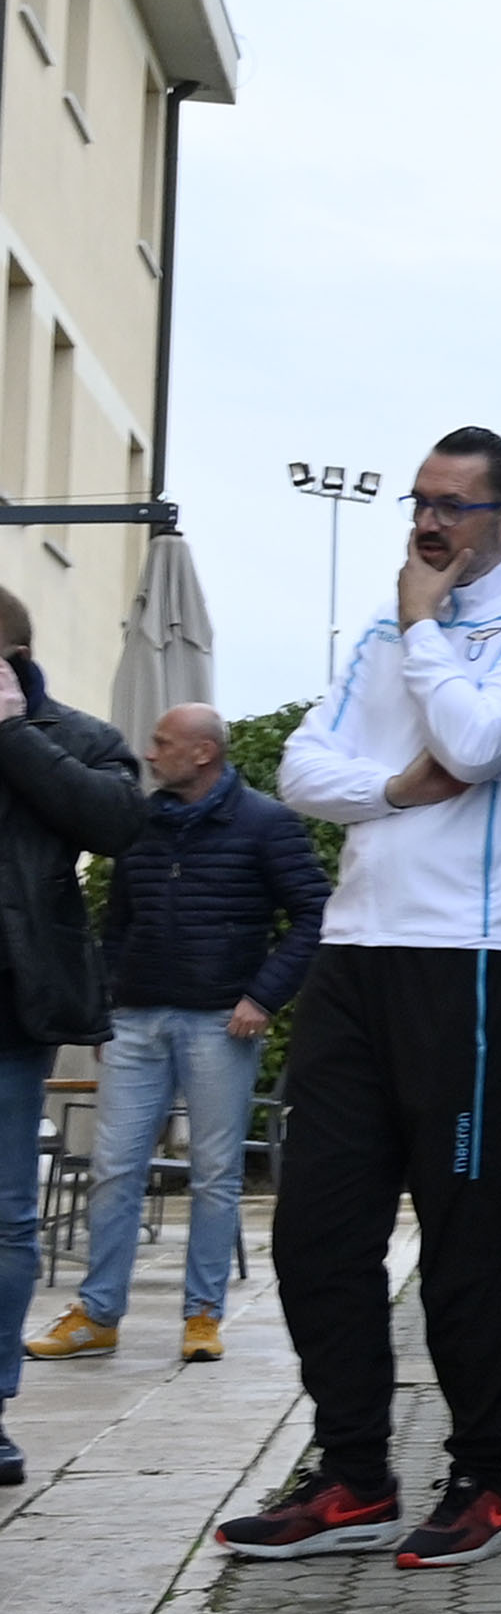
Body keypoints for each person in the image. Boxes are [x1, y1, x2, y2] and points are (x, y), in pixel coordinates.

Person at [217, 426, 501, 1570]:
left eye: (454, 508)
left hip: (477, 958)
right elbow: (297, 773)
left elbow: (478, 744)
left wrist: (427, 632)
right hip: (356, 954)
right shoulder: (389, 625)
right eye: (418, 505)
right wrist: (390, 787)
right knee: (314, 1231)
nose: (428, 526)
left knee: (462, 1231)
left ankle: (484, 1477)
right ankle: (354, 1476)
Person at [23, 703, 328, 1368]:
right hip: (136, 1021)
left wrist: (262, 997)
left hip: (221, 1022)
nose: (149, 752)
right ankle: (99, 1315)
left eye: (163, 743)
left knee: (214, 1176)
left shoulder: (266, 824)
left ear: (202, 754)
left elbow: (313, 914)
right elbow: (116, 922)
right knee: (113, 1171)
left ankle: (202, 1316)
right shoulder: (140, 823)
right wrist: (107, 1004)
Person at [0, 588, 158, 1485]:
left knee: (7, 1219)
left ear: (15, 659)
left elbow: (118, 822)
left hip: (14, 1009)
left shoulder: (72, 738)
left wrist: (13, 733)